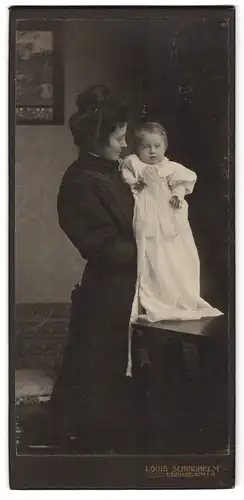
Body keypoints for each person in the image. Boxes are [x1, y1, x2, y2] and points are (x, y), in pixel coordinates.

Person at [49, 85, 138, 453]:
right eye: (119, 137)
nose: (125, 144)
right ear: (99, 138)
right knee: (97, 389)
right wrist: (153, 250)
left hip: (133, 286)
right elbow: (103, 246)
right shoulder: (80, 182)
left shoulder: (118, 171)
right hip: (107, 295)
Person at [121, 121, 223, 329]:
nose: (152, 152)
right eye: (145, 147)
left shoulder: (171, 168)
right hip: (147, 214)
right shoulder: (134, 163)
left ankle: (174, 295)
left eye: (157, 146)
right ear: (137, 148)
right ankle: (155, 295)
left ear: (165, 147)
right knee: (151, 255)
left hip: (167, 213)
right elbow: (126, 173)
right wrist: (133, 182)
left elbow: (182, 184)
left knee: (174, 255)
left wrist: (177, 195)